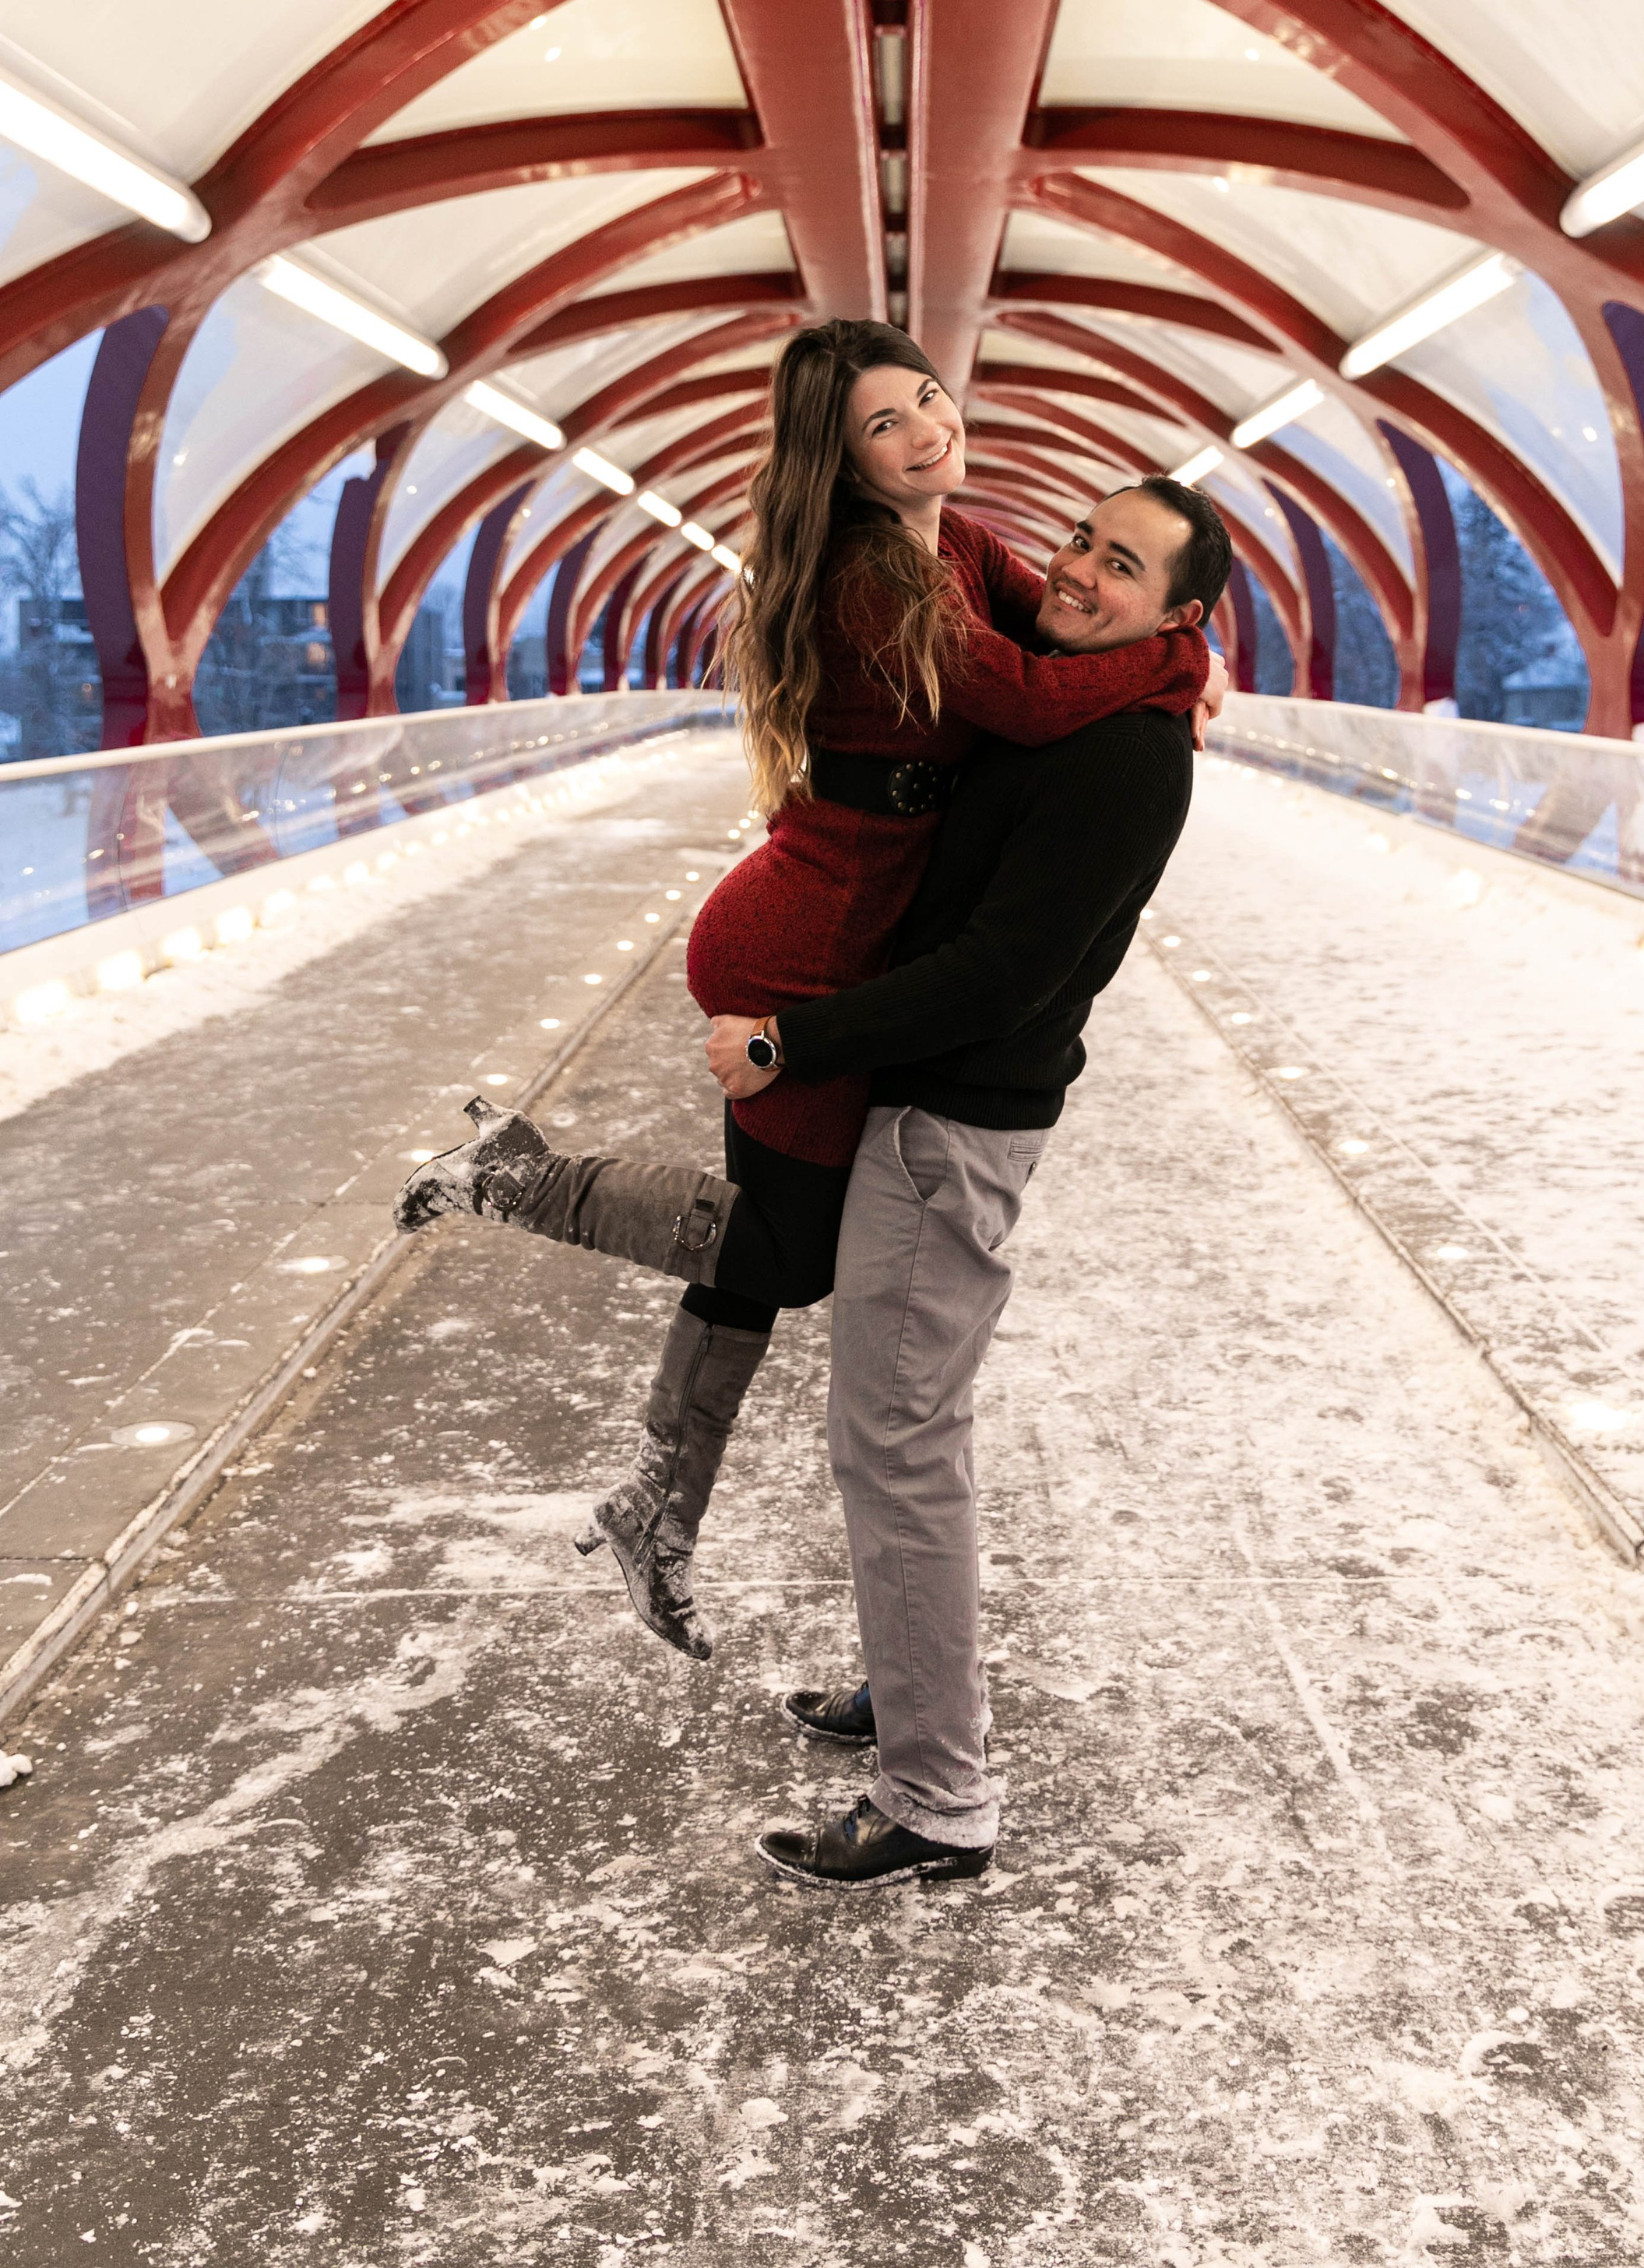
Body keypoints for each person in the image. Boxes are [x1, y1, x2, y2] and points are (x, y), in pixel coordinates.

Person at [396, 321, 1217, 1659]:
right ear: (839, 462)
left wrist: (1172, 640)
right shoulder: (867, 569)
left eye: (931, 397)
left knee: (765, 1239)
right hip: (804, 937)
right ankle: (520, 1181)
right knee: (784, 1247)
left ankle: (660, 1508)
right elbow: (1018, 695)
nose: (926, 429)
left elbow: (1053, 632)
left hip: (840, 913)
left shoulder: (952, 543)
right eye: (885, 423)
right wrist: (1182, 660)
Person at [703, 473, 1234, 1888]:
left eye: (1120, 566)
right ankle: (910, 1681)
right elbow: (955, 557)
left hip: (952, 1132)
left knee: (898, 1445)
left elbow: (1003, 973)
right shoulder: (1057, 685)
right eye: (1079, 537)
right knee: (901, 1434)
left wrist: (787, 1039)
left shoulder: (1127, 756)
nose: (1076, 570)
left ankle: (939, 1798)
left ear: (1176, 616)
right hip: (928, 1116)